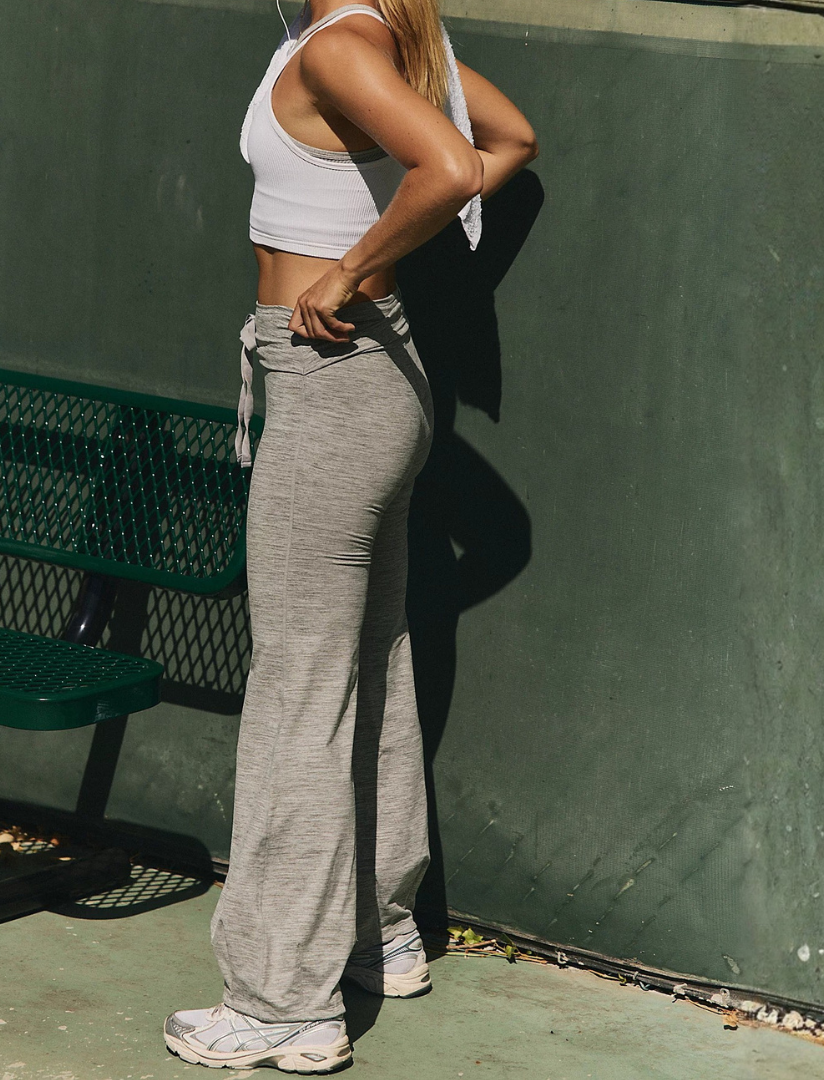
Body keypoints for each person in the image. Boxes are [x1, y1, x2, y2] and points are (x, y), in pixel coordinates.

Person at [164, 0, 537, 1071]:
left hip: (332, 382)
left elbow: (455, 169)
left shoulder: (339, 46)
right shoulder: (380, 35)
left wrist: (351, 268)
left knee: (299, 689)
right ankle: (379, 929)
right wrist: (376, 262)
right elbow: (510, 140)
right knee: (369, 654)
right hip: (374, 384)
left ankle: (284, 1000)